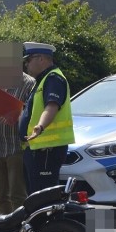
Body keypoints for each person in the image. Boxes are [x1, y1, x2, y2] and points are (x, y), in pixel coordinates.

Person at [18, 41, 75, 193]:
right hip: (38, 148)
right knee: (35, 195)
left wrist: (40, 126)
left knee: (43, 195)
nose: (26, 65)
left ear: (41, 59)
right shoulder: (42, 80)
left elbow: (52, 106)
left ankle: (49, 218)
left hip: (47, 149)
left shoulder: (53, 79)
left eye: (28, 60)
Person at [0, 71, 36, 214]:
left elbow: (30, 110)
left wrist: (11, 111)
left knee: (17, 194)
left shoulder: (29, 83)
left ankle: (21, 229)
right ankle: (6, 229)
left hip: (16, 146)